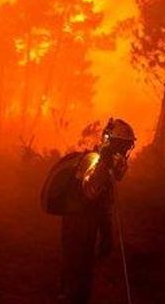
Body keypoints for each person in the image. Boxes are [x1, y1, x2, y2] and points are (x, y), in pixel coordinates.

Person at [59, 118, 136, 304]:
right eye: (123, 146)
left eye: (127, 148)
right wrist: (105, 165)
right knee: (76, 270)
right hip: (77, 223)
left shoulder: (105, 163)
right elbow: (91, 193)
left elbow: (103, 203)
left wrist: (106, 232)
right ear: (114, 142)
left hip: (87, 225)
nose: (125, 152)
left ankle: (73, 296)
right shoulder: (94, 161)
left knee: (83, 271)